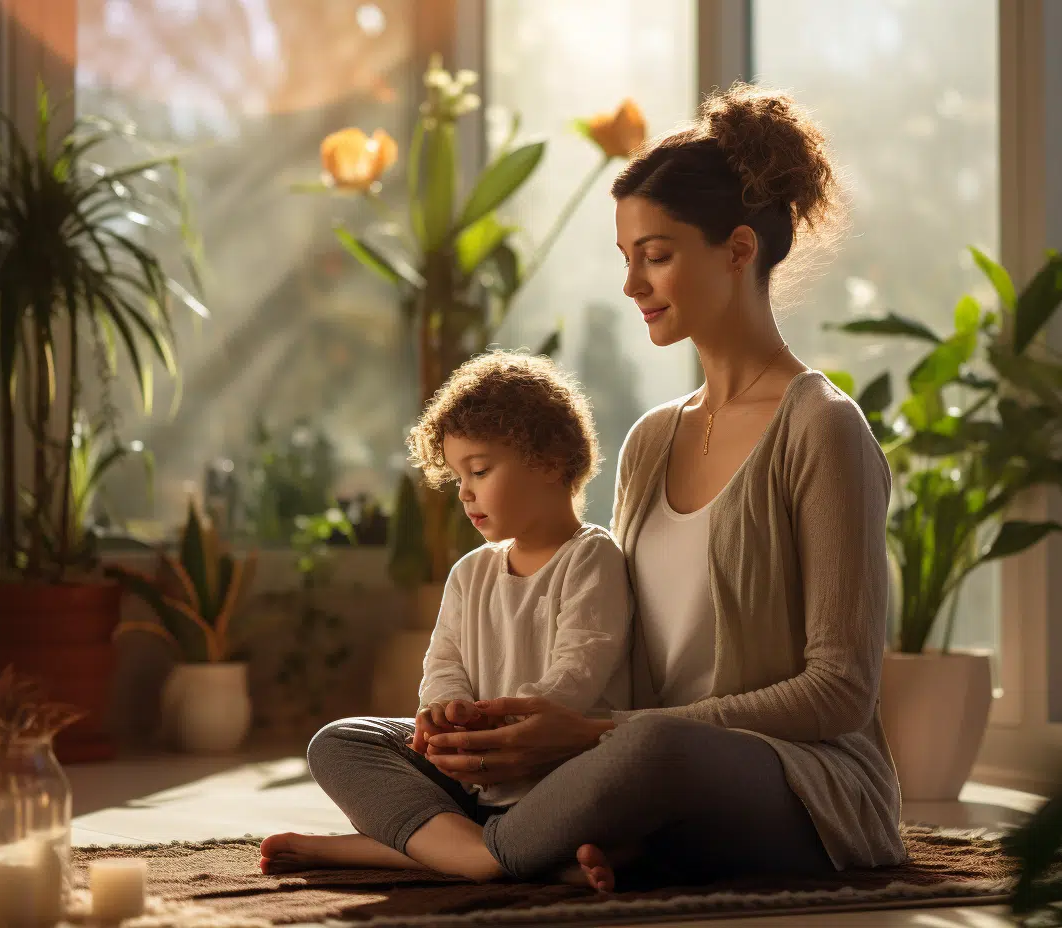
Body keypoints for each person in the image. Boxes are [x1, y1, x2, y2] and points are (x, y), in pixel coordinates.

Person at [265, 80, 905, 891]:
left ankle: (452, 852)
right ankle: (532, 846)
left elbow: (839, 693)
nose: (633, 286)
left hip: (790, 782)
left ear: (739, 250)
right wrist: (504, 730)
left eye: (658, 255)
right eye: (627, 259)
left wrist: (599, 730)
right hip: (615, 761)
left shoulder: (822, 427)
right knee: (351, 739)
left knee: (652, 749)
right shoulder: (650, 440)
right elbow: (622, 643)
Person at [261, 351, 632, 880]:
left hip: (557, 778)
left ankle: (408, 850)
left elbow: (579, 669)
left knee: (634, 783)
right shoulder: (469, 572)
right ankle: (501, 856)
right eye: (457, 476)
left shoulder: (591, 556)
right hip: (473, 776)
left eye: (479, 470)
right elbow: (444, 665)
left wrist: (503, 725)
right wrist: (444, 713)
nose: (464, 492)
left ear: (550, 462)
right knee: (341, 741)